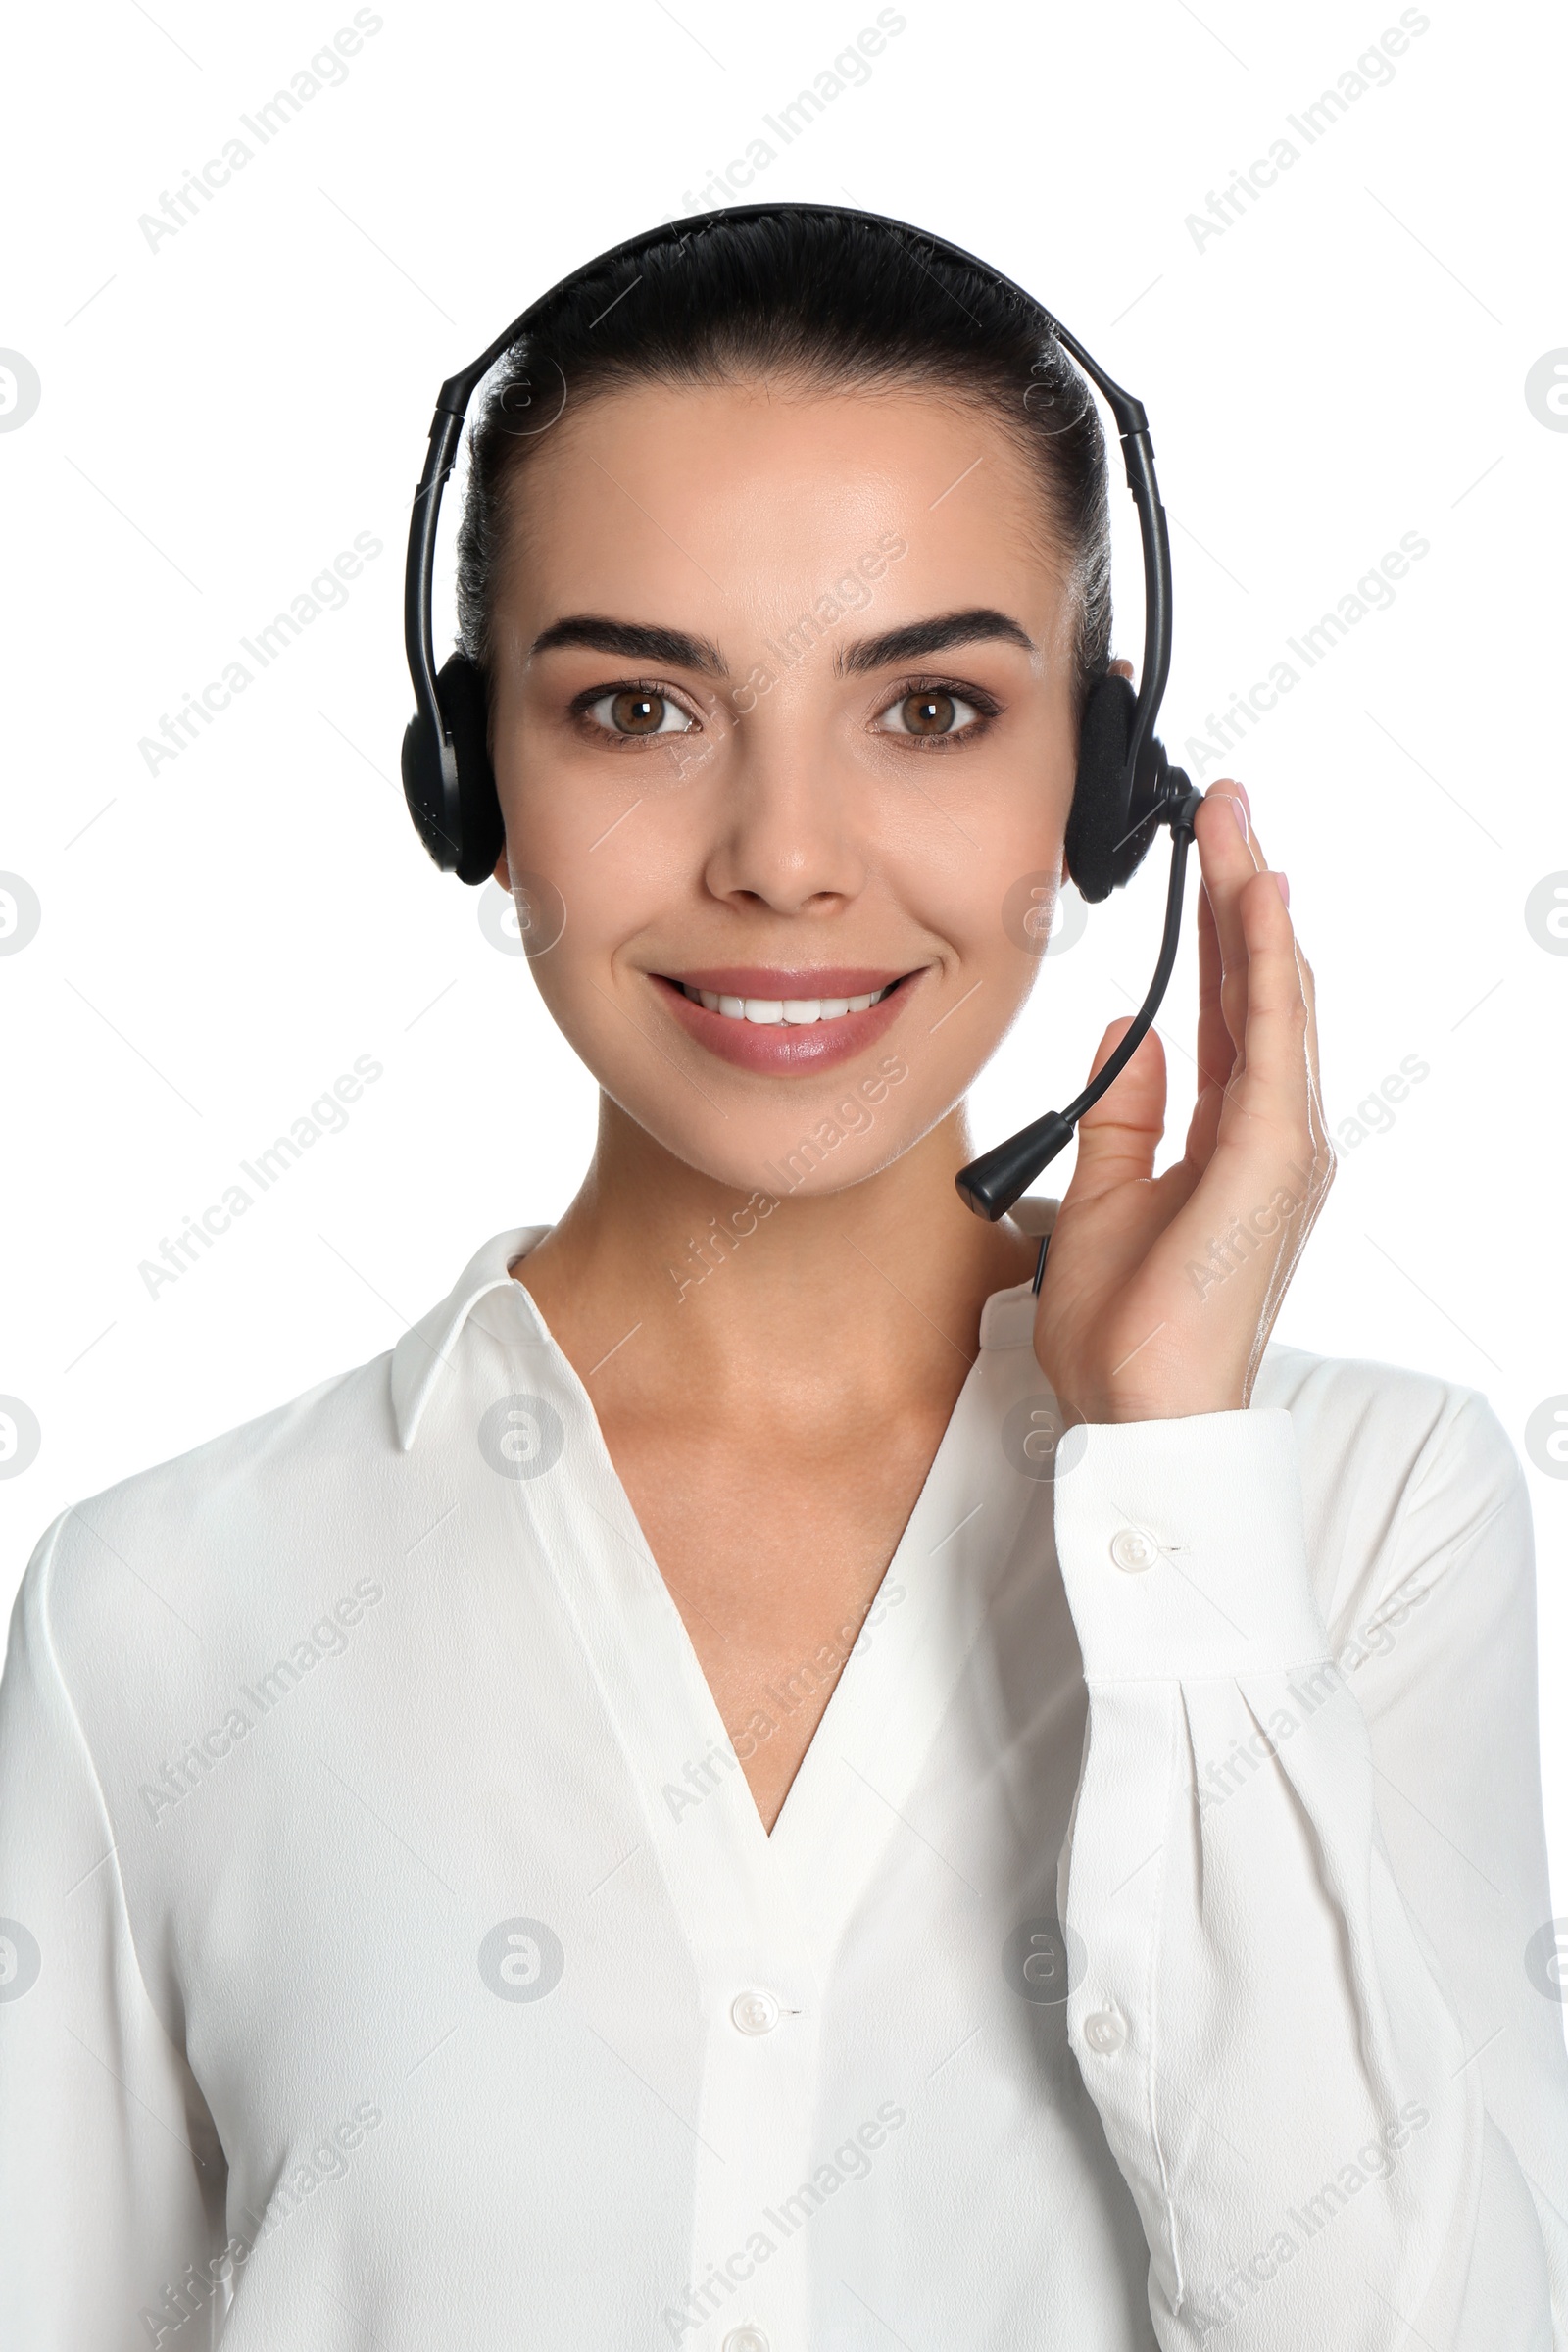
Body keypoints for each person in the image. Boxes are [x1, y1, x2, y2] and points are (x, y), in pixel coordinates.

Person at [1, 205, 1564, 2351]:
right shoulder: (157, 1614)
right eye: (637, 707)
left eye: (926, 707)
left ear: (1099, 785)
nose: (784, 854)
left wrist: (1176, 1482)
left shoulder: (1363, 1513)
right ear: (470, 785)